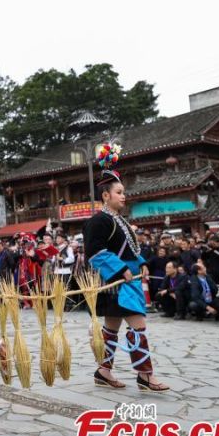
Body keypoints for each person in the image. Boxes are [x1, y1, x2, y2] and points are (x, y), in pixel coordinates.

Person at [82, 145, 168, 392]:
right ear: (106, 196)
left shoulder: (120, 221)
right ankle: (145, 375)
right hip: (118, 283)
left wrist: (140, 264)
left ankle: (103, 371)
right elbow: (94, 253)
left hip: (126, 279)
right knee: (138, 326)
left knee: (111, 328)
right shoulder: (99, 220)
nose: (123, 196)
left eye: (123, 192)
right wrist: (120, 271)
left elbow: (131, 250)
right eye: (119, 192)